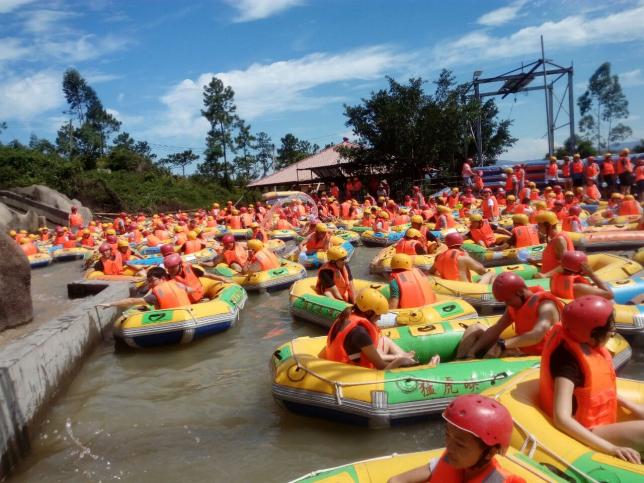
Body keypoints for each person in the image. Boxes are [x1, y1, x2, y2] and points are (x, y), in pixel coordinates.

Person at [539, 296, 644, 464]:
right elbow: (561, 418)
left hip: (599, 420)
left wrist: (633, 406)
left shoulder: (581, 342)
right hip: (586, 429)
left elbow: (600, 393)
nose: (612, 332)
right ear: (591, 334)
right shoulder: (568, 364)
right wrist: (611, 448)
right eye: (609, 328)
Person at [388, 395, 524, 483]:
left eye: (460, 444)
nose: (449, 447)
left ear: (490, 452)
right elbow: (396, 481)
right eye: (447, 435)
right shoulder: (451, 460)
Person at [457, 272, 562, 359]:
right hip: (522, 351)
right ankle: (460, 361)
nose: (507, 304)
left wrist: (503, 344)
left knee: (505, 351)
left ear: (520, 292)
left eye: (508, 300)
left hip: (540, 357)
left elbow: (536, 335)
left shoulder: (546, 305)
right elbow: (496, 328)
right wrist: (473, 350)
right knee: (474, 328)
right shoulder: (515, 306)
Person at [322, 288, 417, 370]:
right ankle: (411, 365)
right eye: (378, 314)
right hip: (350, 370)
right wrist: (400, 359)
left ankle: (407, 359)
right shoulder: (360, 333)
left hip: (339, 361)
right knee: (403, 360)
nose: (379, 318)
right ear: (369, 312)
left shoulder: (348, 315)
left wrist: (397, 356)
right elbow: (382, 367)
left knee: (385, 340)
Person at [98, 267, 192, 310]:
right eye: (149, 281)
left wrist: (110, 304)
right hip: (189, 314)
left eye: (152, 281)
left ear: (162, 278)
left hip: (173, 321)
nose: (150, 284)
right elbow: (191, 290)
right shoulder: (178, 285)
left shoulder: (155, 296)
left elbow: (132, 301)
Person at [428, 233, 494, 284]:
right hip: (466, 290)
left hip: (450, 288)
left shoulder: (438, 257)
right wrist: (468, 257)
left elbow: (431, 272)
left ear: (447, 244)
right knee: (490, 274)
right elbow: (481, 270)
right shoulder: (463, 258)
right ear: (461, 244)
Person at [545, 251, 613, 300]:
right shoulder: (579, 287)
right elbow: (609, 295)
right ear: (582, 267)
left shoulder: (553, 279)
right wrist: (591, 274)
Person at [534, 211, 574, 276]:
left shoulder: (559, 240)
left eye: (539, 225)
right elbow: (553, 259)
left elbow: (566, 264)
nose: (538, 228)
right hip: (550, 279)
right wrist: (534, 260)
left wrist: (545, 275)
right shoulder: (554, 238)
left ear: (548, 226)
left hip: (554, 279)